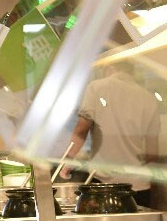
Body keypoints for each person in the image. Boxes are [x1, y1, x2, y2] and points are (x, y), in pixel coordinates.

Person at [61, 61, 160, 207]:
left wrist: (68, 159)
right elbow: (152, 152)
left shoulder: (96, 88)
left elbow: (81, 130)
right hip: (138, 187)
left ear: (108, 68)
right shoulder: (148, 97)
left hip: (104, 186)